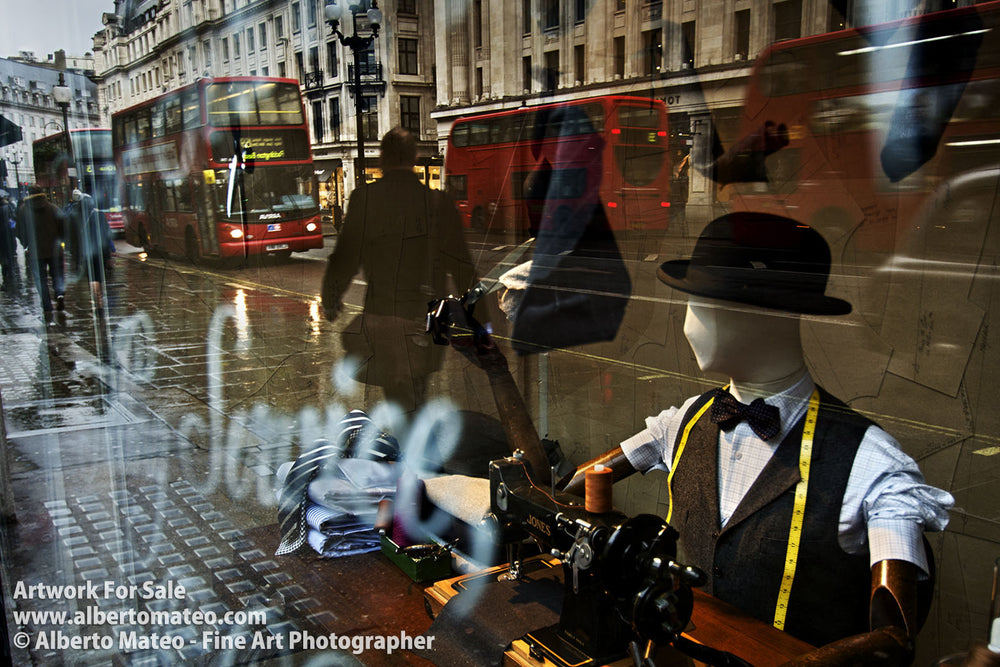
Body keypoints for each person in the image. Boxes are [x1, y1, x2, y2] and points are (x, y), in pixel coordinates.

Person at [556, 212, 953, 651]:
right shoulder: (685, 421)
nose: (688, 324)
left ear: (768, 314)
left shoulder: (871, 466)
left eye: (704, 304)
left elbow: (891, 642)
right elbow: (569, 489)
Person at [321, 127, 476, 413]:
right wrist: (480, 323)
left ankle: (409, 445)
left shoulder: (365, 199)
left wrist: (331, 298)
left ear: (383, 158)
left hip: (384, 313)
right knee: (417, 389)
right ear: (414, 157)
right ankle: (414, 443)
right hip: (430, 318)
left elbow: (345, 257)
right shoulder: (439, 203)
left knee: (398, 393)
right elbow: (463, 266)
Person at [16, 185, 66, 319]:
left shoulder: (23, 211)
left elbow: (20, 231)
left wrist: (26, 244)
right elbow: (63, 226)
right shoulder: (53, 208)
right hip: (55, 250)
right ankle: (60, 294)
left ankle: (47, 305)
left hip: (36, 252)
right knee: (58, 274)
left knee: (41, 279)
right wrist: (60, 241)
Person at [64, 188, 115, 315]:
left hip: (85, 253)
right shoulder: (98, 215)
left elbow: (70, 238)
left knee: (91, 278)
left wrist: (74, 254)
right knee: (100, 277)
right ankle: (100, 301)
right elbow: (107, 235)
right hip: (100, 251)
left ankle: (97, 301)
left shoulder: (74, 216)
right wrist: (109, 254)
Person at [0, 190, 19, 292]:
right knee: (9, 254)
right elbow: (14, 218)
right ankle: (10, 275)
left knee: (3, 255)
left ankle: (5, 273)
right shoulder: (8, 207)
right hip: (8, 234)